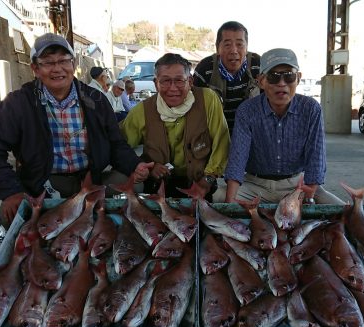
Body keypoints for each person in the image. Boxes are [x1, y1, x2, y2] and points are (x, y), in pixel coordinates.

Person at [0, 33, 153, 223]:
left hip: (91, 178)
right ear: (35, 68)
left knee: (136, 185)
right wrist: (11, 192)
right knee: (8, 216)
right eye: (48, 63)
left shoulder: (96, 99)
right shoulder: (19, 103)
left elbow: (116, 143)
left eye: (63, 61)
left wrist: (135, 165)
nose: (57, 69)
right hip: (43, 182)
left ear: (73, 65)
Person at [224, 48, 345, 205]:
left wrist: (308, 197)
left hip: (298, 185)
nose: (282, 84)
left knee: (343, 211)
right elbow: (237, 159)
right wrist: (229, 204)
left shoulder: (311, 109)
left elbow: (316, 159)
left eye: (289, 76)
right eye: (273, 77)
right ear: (261, 81)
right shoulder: (247, 111)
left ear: (298, 78)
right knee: (219, 198)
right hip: (254, 185)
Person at [120, 53, 230, 201]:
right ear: (155, 84)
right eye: (165, 81)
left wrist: (208, 180)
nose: (173, 88)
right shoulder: (142, 111)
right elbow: (119, 145)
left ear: (190, 81)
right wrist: (145, 166)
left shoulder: (208, 100)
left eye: (179, 80)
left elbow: (221, 141)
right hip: (157, 188)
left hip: (200, 183)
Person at [193, 21, 261, 134]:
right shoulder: (204, 69)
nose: (234, 51)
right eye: (227, 44)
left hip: (251, 134)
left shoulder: (258, 64)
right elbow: (195, 110)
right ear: (218, 48)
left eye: (239, 44)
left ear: (246, 47)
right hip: (215, 136)